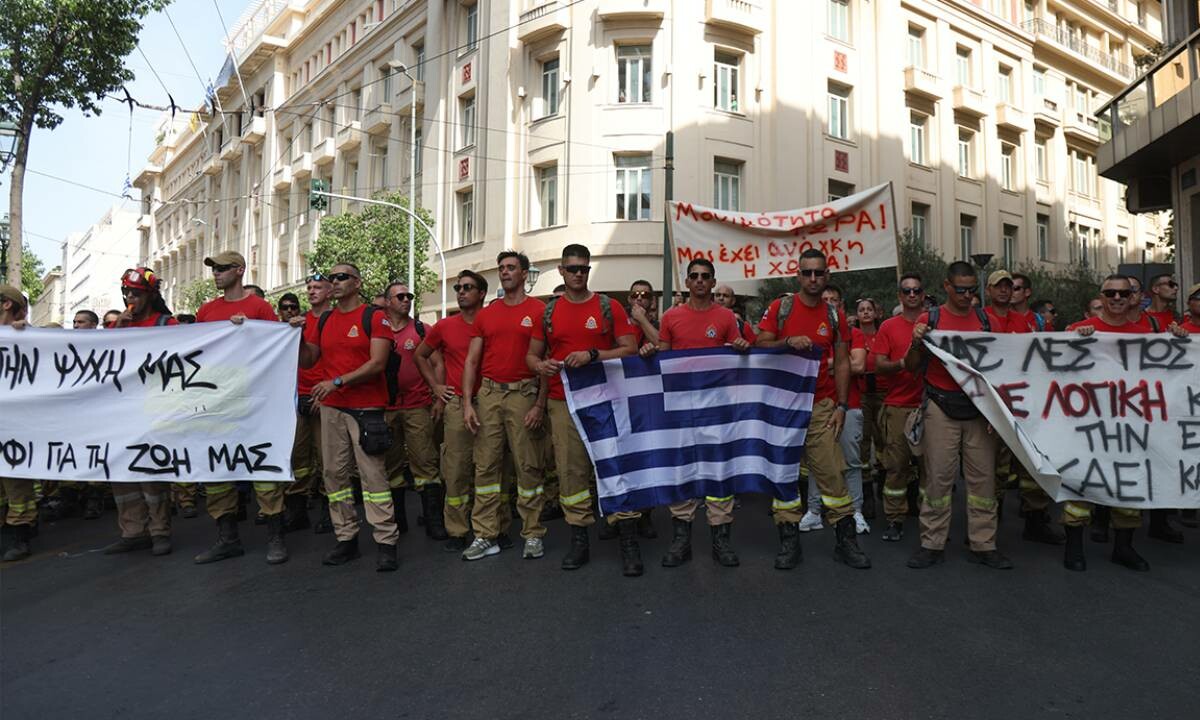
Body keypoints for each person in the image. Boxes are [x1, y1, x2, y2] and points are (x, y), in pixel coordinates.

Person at [527, 243, 643, 576]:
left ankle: (627, 539)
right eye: (572, 269)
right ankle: (579, 538)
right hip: (563, 402)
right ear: (561, 271)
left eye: (584, 269)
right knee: (570, 471)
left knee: (615, 467)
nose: (578, 274)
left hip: (607, 400)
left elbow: (630, 349)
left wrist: (593, 355)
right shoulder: (547, 312)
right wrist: (542, 365)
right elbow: (531, 356)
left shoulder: (608, 306)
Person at [1062, 275, 1190, 571]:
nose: (1117, 298)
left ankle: (1124, 547)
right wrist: (1072, 342)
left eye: (1123, 293)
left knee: (1130, 481)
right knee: (1082, 480)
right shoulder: (1078, 330)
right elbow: (1056, 371)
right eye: (1110, 293)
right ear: (1102, 296)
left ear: (1133, 296)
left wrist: (1181, 343)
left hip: (1132, 424)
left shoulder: (1148, 332)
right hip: (1089, 424)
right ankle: (1074, 546)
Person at [756, 249, 871, 570]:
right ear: (798, 275)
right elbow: (760, 345)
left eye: (818, 273)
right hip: (782, 405)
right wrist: (786, 341)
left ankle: (845, 541)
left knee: (832, 473)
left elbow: (844, 362)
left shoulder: (833, 315)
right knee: (783, 475)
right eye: (807, 273)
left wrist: (842, 406)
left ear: (827, 276)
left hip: (821, 404)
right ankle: (789, 541)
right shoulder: (781, 308)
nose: (812, 279)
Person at [640, 259, 750, 568]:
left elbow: (741, 358)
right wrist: (649, 352)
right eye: (694, 276)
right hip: (680, 405)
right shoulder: (671, 317)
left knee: (719, 471)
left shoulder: (727, 317)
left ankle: (721, 540)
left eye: (705, 276)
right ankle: (681, 540)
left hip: (717, 406)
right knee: (681, 469)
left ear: (713, 282)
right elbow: (663, 355)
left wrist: (741, 346)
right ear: (687, 283)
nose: (700, 281)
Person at [903, 261, 1012, 570]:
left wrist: (997, 412)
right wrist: (916, 342)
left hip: (978, 410)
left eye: (971, 290)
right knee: (938, 479)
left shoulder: (985, 320)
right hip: (940, 406)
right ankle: (932, 543)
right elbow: (911, 367)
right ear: (947, 287)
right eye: (960, 289)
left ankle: (983, 543)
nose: (966, 295)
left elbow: (1001, 365)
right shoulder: (930, 320)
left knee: (983, 481)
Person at [293, 263, 400, 571]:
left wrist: (337, 382)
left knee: (373, 477)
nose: (335, 282)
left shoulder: (374, 316)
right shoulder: (325, 319)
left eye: (342, 277)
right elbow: (309, 359)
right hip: (332, 409)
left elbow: (378, 363)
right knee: (334, 476)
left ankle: (386, 541)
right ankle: (346, 538)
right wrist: (298, 337)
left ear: (357, 282)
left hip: (365, 408)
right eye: (332, 277)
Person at [193, 250, 287, 565]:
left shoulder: (259, 307)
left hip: (253, 400)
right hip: (217, 401)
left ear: (239, 270)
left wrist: (251, 331)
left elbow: (277, 347)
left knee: (263, 468)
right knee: (217, 469)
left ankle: (275, 538)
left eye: (221, 268)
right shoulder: (206, 311)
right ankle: (227, 538)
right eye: (213, 269)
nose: (215, 274)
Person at [460, 252, 549, 562]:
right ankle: (486, 535)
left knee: (528, 466)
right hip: (488, 395)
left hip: (524, 393)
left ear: (525, 274)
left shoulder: (539, 310)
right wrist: (468, 402)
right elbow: (472, 360)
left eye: (511, 268)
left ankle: (533, 534)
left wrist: (539, 404)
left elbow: (545, 363)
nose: (505, 272)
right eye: (501, 268)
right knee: (485, 466)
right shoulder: (487, 313)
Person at [103, 267, 178, 557]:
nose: (130, 297)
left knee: (152, 472)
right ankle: (132, 531)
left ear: (150, 295)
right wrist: (118, 329)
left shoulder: (165, 324)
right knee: (121, 470)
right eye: (126, 292)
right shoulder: (116, 328)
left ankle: (159, 531)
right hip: (121, 410)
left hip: (153, 408)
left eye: (136, 293)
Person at [414, 271, 487, 552]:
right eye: (458, 287)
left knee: (490, 469)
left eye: (467, 287)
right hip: (456, 404)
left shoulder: (490, 321)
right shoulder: (444, 326)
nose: (461, 292)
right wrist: (436, 387)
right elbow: (420, 355)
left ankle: (492, 527)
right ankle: (457, 530)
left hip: (489, 401)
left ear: (481, 293)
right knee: (455, 470)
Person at [381, 281, 447, 542]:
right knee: (391, 466)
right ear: (387, 302)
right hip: (386, 408)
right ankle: (399, 521)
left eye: (409, 296)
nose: (406, 300)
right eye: (400, 296)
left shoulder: (421, 329)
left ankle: (433, 522)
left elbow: (437, 364)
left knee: (426, 464)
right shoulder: (377, 330)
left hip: (418, 406)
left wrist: (439, 397)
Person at [873, 274, 926, 542]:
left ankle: (932, 522)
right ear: (900, 296)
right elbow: (878, 364)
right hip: (898, 406)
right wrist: (902, 365)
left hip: (932, 407)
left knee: (932, 470)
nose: (912, 295)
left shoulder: (934, 324)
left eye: (917, 290)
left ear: (923, 294)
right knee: (896, 468)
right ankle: (895, 519)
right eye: (907, 291)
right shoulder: (888, 327)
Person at [286, 273, 333, 534]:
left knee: (328, 459)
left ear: (329, 292)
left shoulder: (332, 320)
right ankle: (297, 511)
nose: (312, 291)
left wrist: (324, 393)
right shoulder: (298, 321)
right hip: (298, 397)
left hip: (324, 398)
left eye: (318, 287)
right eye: (309, 287)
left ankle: (329, 511)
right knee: (298, 458)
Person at [0, 285, 37, 562]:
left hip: (15, 425)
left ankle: (20, 535)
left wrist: (30, 332)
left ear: (6, 305)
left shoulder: (25, 335)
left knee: (17, 486)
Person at [853, 297, 884, 521]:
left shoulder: (882, 335)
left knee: (885, 440)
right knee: (862, 445)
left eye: (869, 309)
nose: (865, 313)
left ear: (876, 313)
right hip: (862, 394)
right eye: (861, 310)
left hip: (884, 394)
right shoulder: (853, 337)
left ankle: (885, 487)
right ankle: (867, 497)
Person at [627, 279, 660, 348]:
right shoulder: (622, 324)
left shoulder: (658, 326)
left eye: (645, 295)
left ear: (652, 300)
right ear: (629, 299)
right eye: (635, 295)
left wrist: (642, 319)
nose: (639, 298)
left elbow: (661, 344)